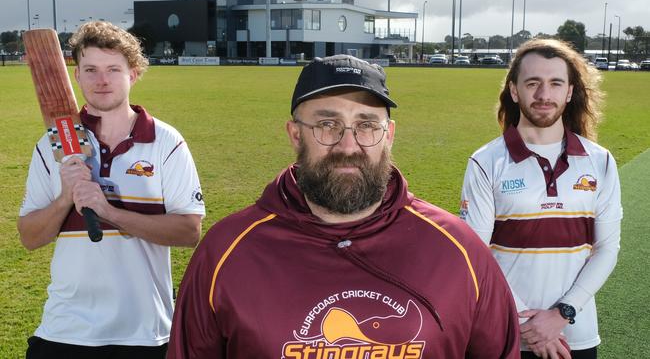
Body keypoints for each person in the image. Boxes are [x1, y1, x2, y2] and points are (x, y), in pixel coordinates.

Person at [168, 54, 519, 358]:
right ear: (295, 134)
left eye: (366, 125)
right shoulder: (226, 252)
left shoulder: (459, 250)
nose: (348, 145)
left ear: (389, 134)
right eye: (327, 124)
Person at [18, 21, 205, 359]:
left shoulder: (166, 143)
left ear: (133, 74)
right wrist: (65, 199)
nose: (101, 80)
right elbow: (29, 237)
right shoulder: (52, 146)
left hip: (146, 334)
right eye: (90, 69)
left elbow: (189, 231)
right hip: (65, 331)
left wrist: (108, 212)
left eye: (113, 69)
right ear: (76, 76)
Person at [460, 39, 622, 359]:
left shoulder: (600, 161)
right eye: (533, 83)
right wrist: (528, 325)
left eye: (555, 83)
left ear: (570, 92)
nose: (544, 95)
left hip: (575, 334)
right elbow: (475, 256)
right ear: (514, 91)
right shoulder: (486, 162)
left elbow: (607, 249)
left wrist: (562, 314)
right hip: (504, 333)